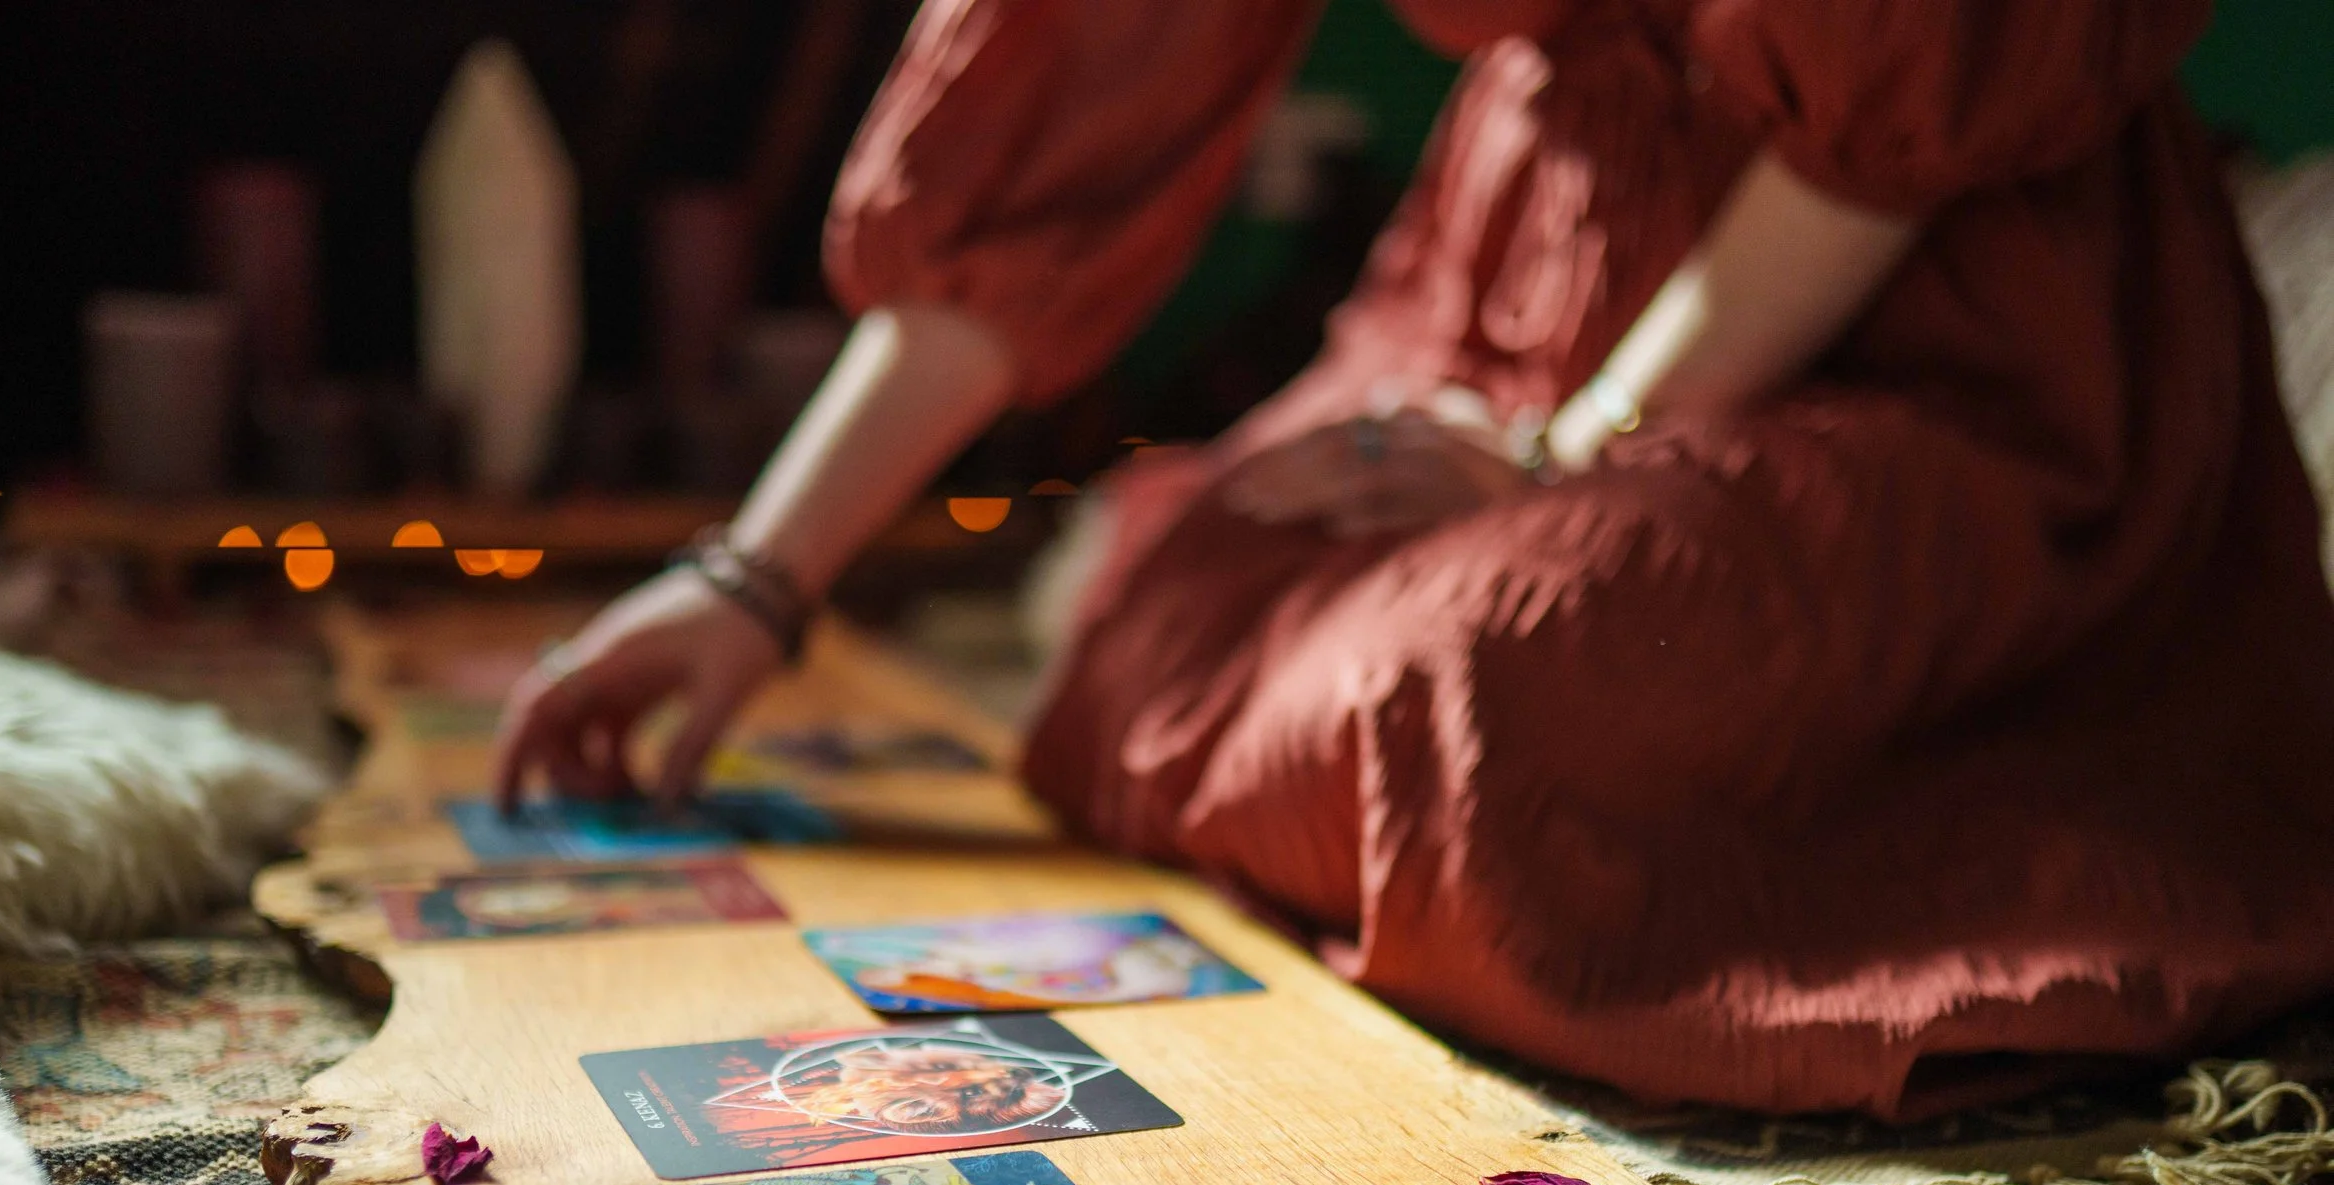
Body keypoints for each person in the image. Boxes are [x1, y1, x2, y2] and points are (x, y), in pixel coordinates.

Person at [497, 0, 2334, 1120]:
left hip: (1917, 337)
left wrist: (1567, 455)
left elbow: (1898, 110)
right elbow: (1058, 99)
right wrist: (756, 580)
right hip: (1528, 286)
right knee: (1164, 594)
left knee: (1488, 675)